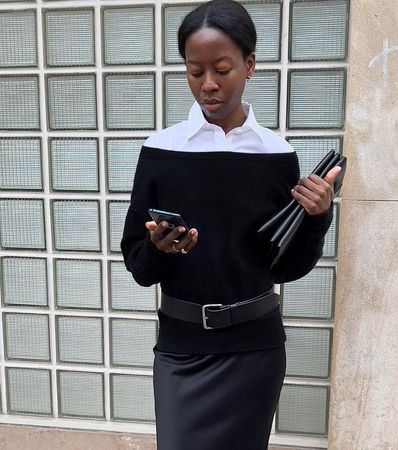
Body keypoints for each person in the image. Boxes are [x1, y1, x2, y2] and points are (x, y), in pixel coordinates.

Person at [121, 1, 340, 449]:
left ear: (250, 65)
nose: (208, 85)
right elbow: (138, 265)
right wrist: (160, 250)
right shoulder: (161, 150)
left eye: (222, 69)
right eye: (194, 70)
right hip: (182, 348)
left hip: (255, 349)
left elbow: (285, 267)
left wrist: (319, 217)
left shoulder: (276, 155)